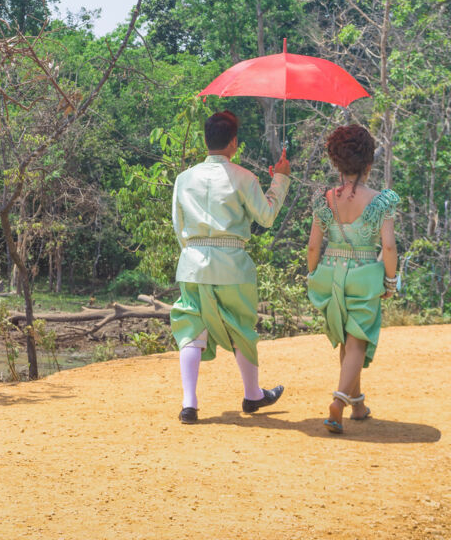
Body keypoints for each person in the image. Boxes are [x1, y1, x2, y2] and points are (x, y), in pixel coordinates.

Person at [170, 110, 291, 424]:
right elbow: (266, 216)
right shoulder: (244, 177)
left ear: (206, 140)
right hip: (233, 263)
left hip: (192, 262)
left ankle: (189, 404)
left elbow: (177, 223)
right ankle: (252, 395)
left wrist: (193, 257)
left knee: (191, 328)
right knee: (241, 326)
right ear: (234, 143)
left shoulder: (184, 179)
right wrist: (281, 178)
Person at [306, 124, 399, 434]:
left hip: (330, 274)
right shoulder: (381, 200)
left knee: (348, 340)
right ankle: (338, 401)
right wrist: (389, 281)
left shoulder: (325, 199)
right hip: (362, 276)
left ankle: (357, 404)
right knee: (357, 340)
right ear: (368, 163)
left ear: (336, 162)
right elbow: (387, 246)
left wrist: (312, 275)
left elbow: (313, 245)